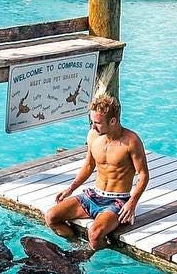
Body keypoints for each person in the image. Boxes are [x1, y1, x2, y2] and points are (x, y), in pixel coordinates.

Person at [44, 93, 149, 252]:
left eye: (97, 123)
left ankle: (99, 256)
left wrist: (132, 203)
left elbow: (143, 175)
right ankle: (78, 248)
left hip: (117, 201)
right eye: (92, 122)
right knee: (51, 217)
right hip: (93, 195)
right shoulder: (93, 135)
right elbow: (88, 166)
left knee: (94, 234)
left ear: (113, 121)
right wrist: (70, 189)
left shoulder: (131, 141)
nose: (93, 127)